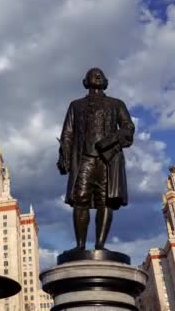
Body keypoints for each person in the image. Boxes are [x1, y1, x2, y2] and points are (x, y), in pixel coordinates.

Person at [57, 67, 135, 251]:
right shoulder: (76, 105)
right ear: (86, 81)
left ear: (106, 81)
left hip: (108, 159)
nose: (97, 75)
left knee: (105, 200)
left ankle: (100, 245)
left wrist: (110, 140)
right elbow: (67, 133)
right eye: (93, 74)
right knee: (80, 198)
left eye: (101, 74)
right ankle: (80, 245)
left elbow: (128, 127)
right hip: (84, 158)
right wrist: (64, 157)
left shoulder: (116, 104)